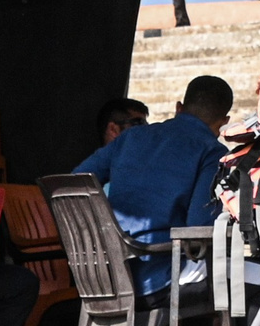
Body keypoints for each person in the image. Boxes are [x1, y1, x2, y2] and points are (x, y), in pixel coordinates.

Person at [78, 74, 234, 295]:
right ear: (224, 121)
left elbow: (75, 181)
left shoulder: (131, 137)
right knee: (259, 283)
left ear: (179, 107)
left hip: (106, 276)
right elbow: (199, 228)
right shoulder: (212, 151)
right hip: (160, 276)